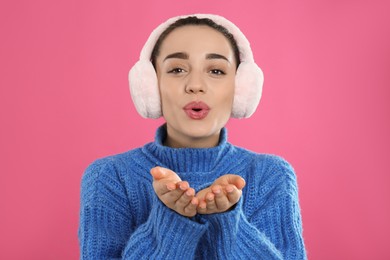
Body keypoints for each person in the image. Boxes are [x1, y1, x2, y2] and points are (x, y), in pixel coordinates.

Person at [78, 14, 306, 259]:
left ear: (240, 88)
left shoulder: (271, 175)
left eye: (216, 70)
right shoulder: (109, 177)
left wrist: (228, 220)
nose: (195, 85)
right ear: (150, 85)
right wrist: (169, 219)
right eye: (177, 69)